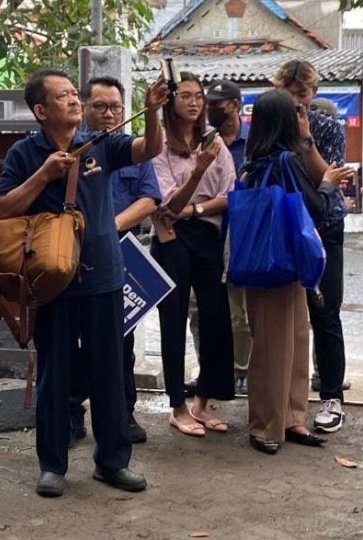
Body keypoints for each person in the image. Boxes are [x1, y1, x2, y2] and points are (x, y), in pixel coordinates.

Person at [0, 69, 168, 498]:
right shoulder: (24, 153)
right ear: (41, 110)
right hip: (50, 283)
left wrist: (151, 113)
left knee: (109, 373)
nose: (76, 101)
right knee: (55, 374)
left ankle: (113, 462)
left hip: (105, 276)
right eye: (64, 96)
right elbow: (3, 207)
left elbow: (150, 149)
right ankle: (52, 465)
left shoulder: (102, 143)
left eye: (76, 94)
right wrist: (44, 177)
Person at [239, 89, 347, 455]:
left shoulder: (252, 161)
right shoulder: (286, 161)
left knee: (283, 342)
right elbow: (315, 207)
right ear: (287, 119)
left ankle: (287, 419)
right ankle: (271, 424)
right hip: (284, 264)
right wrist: (330, 182)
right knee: (284, 344)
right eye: (298, 112)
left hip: (265, 263)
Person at [68, 76, 162, 446]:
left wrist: (110, 227)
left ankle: (124, 413)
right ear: (84, 107)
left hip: (122, 252)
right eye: (101, 107)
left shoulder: (127, 147)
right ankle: (72, 412)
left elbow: (149, 199)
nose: (109, 115)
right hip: (73, 253)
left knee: (121, 341)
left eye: (116, 108)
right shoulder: (72, 149)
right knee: (73, 340)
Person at [151, 71, 235, 438]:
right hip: (171, 238)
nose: (194, 101)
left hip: (207, 234)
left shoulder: (214, 141)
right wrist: (197, 176)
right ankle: (177, 406)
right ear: (170, 102)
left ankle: (203, 401)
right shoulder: (159, 146)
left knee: (216, 315)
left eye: (198, 95)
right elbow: (169, 202)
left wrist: (194, 210)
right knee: (173, 319)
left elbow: (229, 194)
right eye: (185, 95)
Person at [272, 60, 352, 433]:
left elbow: (329, 177)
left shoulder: (327, 126)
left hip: (325, 225)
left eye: (302, 94)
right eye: (289, 94)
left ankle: (332, 395)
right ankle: (287, 397)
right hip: (284, 226)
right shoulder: (270, 128)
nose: (295, 101)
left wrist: (306, 140)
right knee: (285, 315)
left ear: (313, 94)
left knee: (325, 310)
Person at [204, 79, 250, 395]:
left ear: (234, 106)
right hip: (209, 234)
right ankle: (208, 372)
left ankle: (243, 370)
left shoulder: (255, 141)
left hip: (243, 235)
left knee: (240, 312)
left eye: (217, 105)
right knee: (202, 311)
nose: (211, 110)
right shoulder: (205, 141)